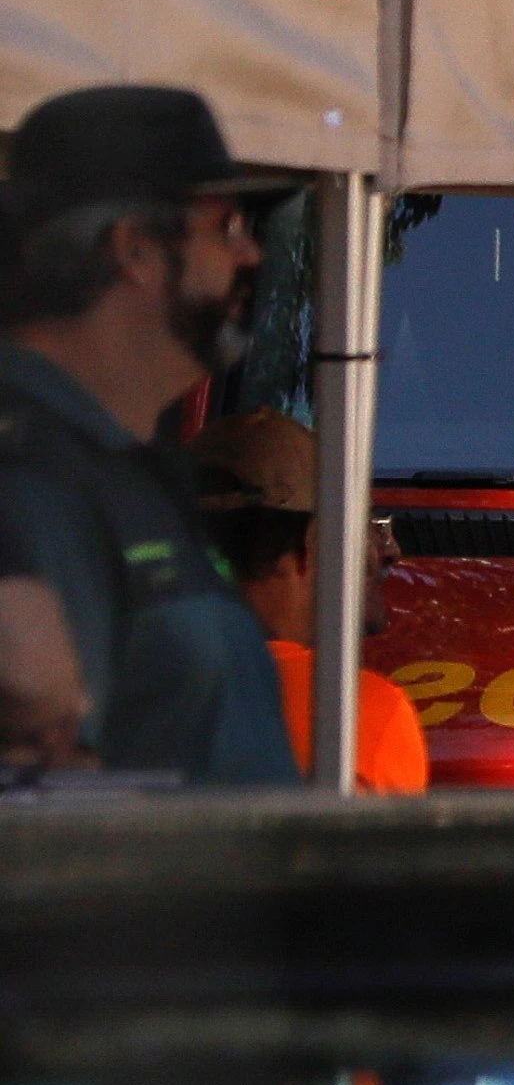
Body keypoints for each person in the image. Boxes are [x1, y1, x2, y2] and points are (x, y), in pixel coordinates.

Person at [0, 86, 296, 784]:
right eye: (224, 228)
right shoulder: (31, 481)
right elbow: (45, 806)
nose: (251, 255)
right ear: (134, 250)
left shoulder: (116, 469)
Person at [188, 409, 428, 793]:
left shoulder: (108, 694)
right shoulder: (357, 717)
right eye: (371, 525)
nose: (391, 550)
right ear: (316, 544)